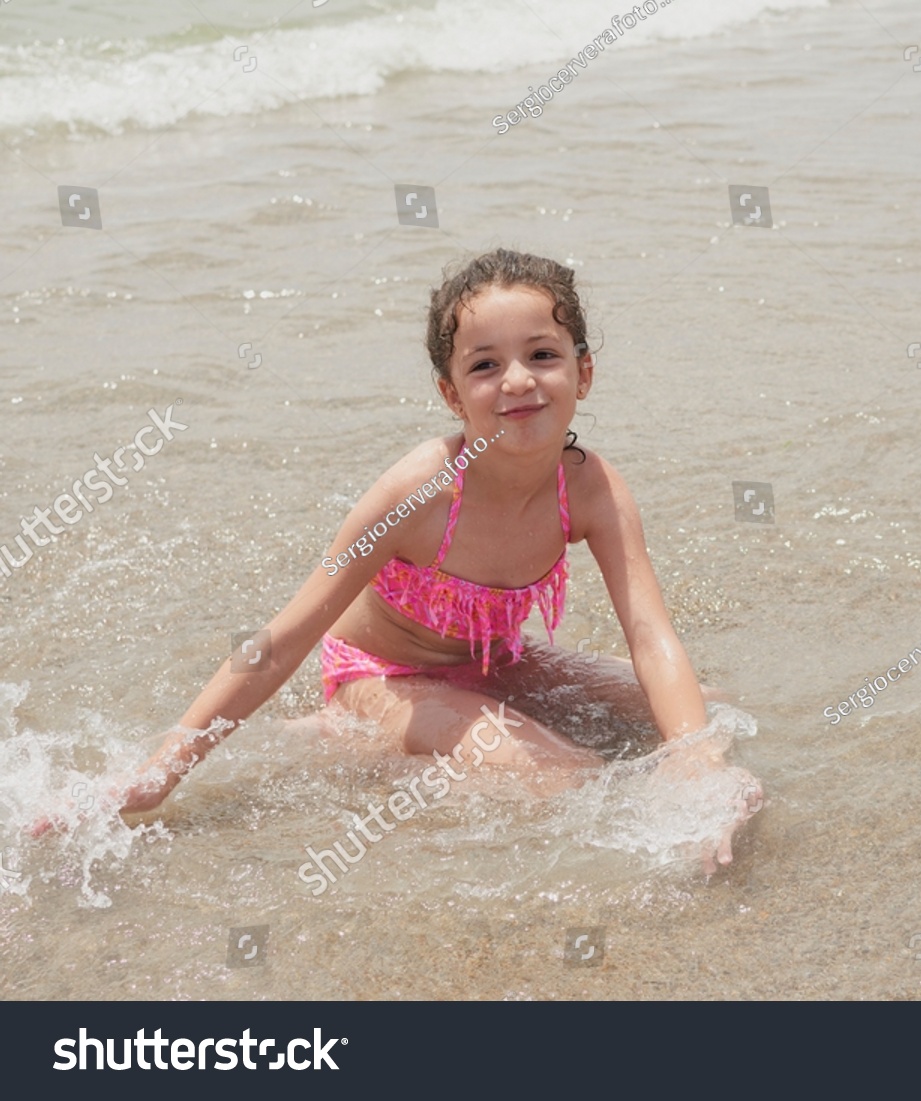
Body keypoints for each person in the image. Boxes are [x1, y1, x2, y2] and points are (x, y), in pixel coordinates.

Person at [32, 248, 761, 872]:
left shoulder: (592, 487)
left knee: (711, 708)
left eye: (542, 354)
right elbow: (284, 637)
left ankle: (461, 739)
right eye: (485, 364)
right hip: (384, 676)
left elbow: (649, 634)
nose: (516, 380)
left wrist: (697, 764)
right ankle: (357, 737)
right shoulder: (421, 490)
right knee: (569, 776)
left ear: (584, 372)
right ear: (451, 393)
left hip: (494, 661)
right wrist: (159, 774)